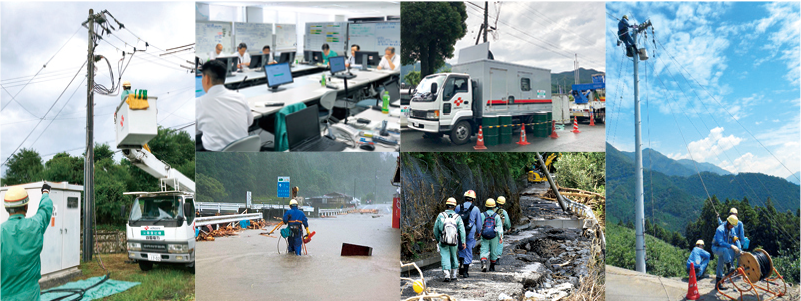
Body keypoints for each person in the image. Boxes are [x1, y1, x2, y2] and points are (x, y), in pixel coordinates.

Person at [0, 183, 54, 300]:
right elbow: (45, 210)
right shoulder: (35, 226)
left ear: (6, 208)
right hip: (31, 296)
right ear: (26, 206)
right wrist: (45, 192)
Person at [195, 60, 253, 151]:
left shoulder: (198, 103)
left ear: (207, 79)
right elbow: (250, 122)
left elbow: (195, 130)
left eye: (202, 77)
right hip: (244, 155)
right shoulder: (240, 97)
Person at [433, 197, 466, 282]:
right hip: (454, 240)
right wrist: (463, 241)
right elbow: (462, 230)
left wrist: (438, 239)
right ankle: (454, 275)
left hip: (443, 239)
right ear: (454, 206)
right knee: (454, 255)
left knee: (445, 256)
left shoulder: (441, 215)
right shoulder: (457, 217)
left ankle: (447, 274)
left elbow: (435, 229)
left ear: (446, 205)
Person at [454, 190, 481, 278]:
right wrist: (479, 232)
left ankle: (461, 263)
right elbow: (479, 223)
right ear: (473, 199)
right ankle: (465, 271)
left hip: (459, 231)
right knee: (468, 248)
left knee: (461, 246)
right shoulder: (476, 209)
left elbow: (454, 219)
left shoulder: (458, 207)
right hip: (470, 231)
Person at [712, 215, 740, 290]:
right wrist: (731, 246)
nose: (733, 227)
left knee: (720, 264)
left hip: (723, 249)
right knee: (725, 250)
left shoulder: (731, 229)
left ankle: (718, 285)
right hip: (716, 248)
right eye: (732, 225)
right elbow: (721, 243)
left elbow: (735, 238)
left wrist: (739, 249)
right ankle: (729, 267)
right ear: (728, 223)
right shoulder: (720, 229)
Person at [479, 198, 503, 272]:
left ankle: (484, 262)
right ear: (494, 207)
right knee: (493, 251)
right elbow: (499, 227)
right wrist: (500, 237)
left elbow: (479, 226)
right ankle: (492, 267)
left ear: (486, 206)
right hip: (494, 236)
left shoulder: (482, 215)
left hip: (484, 235)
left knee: (484, 249)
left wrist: (479, 233)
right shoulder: (496, 216)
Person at [494, 196, 512, 265]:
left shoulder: (492, 210)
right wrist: (508, 228)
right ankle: (497, 259)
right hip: (499, 230)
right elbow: (507, 221)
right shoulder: (503, 212)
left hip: (490, 229)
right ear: (503, 204)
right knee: (499, 243)